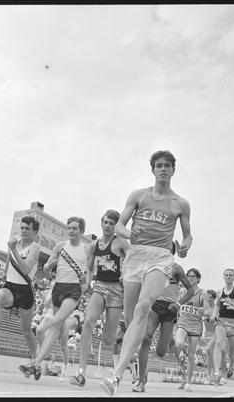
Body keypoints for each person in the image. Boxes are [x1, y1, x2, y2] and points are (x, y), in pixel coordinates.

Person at [100, 150, 192, 396]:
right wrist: (131, 234)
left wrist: (185, 246)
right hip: (136, 255)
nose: (163, 169)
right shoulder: (138, 195)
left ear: (173, 170)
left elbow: (187, 236)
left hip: (160, 257)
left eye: (167, 166)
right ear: (153, 170)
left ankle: (116, 375)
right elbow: (120, 225)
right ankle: (132, 366)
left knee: (143, 307)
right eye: (159, 165)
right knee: (132, 319)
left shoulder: (180, 204)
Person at [19, 217, 90, 380]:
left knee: (56, 322)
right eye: (69, 228)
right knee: (57, 329)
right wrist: (48, 265)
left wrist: (86, 282)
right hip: (58, 288)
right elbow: (49, 262)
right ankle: (38, 364)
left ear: (81, 231)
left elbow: (90, 268)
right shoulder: (60, 246)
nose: (71, 231)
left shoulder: (86, 249)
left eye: (74, 228)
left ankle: (35, 363)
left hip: (73, 290)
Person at [69, 210, 130, 387]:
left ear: (116, 226)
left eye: (111, 223)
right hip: (100, 286)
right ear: (101, 223)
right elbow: (89, 267)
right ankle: (81, 372)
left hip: (117, 290)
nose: (107, 226)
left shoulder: (122, 243)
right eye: (105, 222)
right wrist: (88, 281)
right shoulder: (94, 245)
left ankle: (119, 333)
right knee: (88, 321)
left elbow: (133, 261)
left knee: (108, 340)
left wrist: (125, 274)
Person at [0, 215, 41, 362]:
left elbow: (25, 269)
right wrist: (3, 277)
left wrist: (14, 250)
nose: (23, 230)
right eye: (22, 228)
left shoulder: (34, 247)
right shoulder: (14, 244)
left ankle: (35, 360)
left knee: (26, 331)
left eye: (27, 228)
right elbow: (7, 266)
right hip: (11, 286)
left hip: (25, 291)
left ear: (35, 232)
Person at [132, 262, 194, 393]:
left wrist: (178, 303)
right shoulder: (151, 265)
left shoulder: (176, 268)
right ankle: (141, 380)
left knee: (161, 352)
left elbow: (190, 290)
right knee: (146, 337)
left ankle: (169, 340)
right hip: (154, 306)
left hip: (170, 310)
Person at [174, 268, 213, 392]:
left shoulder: (203, 293)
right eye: (188, 276)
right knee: (179, 343)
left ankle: (187, 382)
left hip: (195, 326)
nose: (190, 278)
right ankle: (182, 354)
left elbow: (207, 311)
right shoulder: (182, 291)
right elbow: (177, 304)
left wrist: (203, 311)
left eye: (193, 276)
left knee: (191, 355)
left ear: (198, 279)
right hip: (183, 322)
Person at [202, 290, 217, 384]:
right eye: (207, 297)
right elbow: (201, 316)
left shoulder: (216, 308)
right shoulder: (205, 306)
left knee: (208, 350)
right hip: (206, 334)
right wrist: (205, 317)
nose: (208, 299)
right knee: (210, 356)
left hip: (215, 334)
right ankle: (215, 375)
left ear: (214, 298)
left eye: (211, 297)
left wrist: (214, 319)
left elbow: (219, 320)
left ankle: (209, 375)